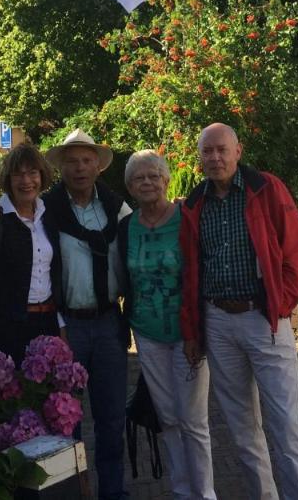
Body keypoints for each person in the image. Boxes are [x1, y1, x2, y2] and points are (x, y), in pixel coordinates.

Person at [0, 129, 131, 500]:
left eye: (86, 160)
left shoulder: (111, 206)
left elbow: (146, 229)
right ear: (59, 168)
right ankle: (71, 491)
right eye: (71, 161)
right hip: (64, 325)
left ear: (97, 166)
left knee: (110, 419)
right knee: (62, 419)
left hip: (104, 323)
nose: (79, 167)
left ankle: (113, 493)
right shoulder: (50, 209)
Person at [179, 123, 298, 500]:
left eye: (222, 149)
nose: (215, 157)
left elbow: (295, 251)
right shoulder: (195, 205)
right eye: (207, 151)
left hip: (264, 319)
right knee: (242, 430)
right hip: (218, 322)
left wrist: (281, 302)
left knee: (287, 424)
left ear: (238, 151)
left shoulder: (266, 189)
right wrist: (193, 330)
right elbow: (192, 271)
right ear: (200, 157)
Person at [118, 150, 216, 500]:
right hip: (147, 332)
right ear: (130, 186)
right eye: (138, 178)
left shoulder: (186, 218)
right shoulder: (127, 227)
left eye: (153, 176)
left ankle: (205, 493)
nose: (146, 182)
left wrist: (199, 329)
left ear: (166, 180)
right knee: (168, 416)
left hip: (187, 332)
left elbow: (201, 271)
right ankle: (182, 491)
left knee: (193, 419)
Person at [0, 143, 59, 365]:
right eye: (18, 174)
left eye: (32, 173)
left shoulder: (49, 215)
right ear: (8, 179)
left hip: (47, 323)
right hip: (8, 329)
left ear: (42, 175)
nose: (26, 181)